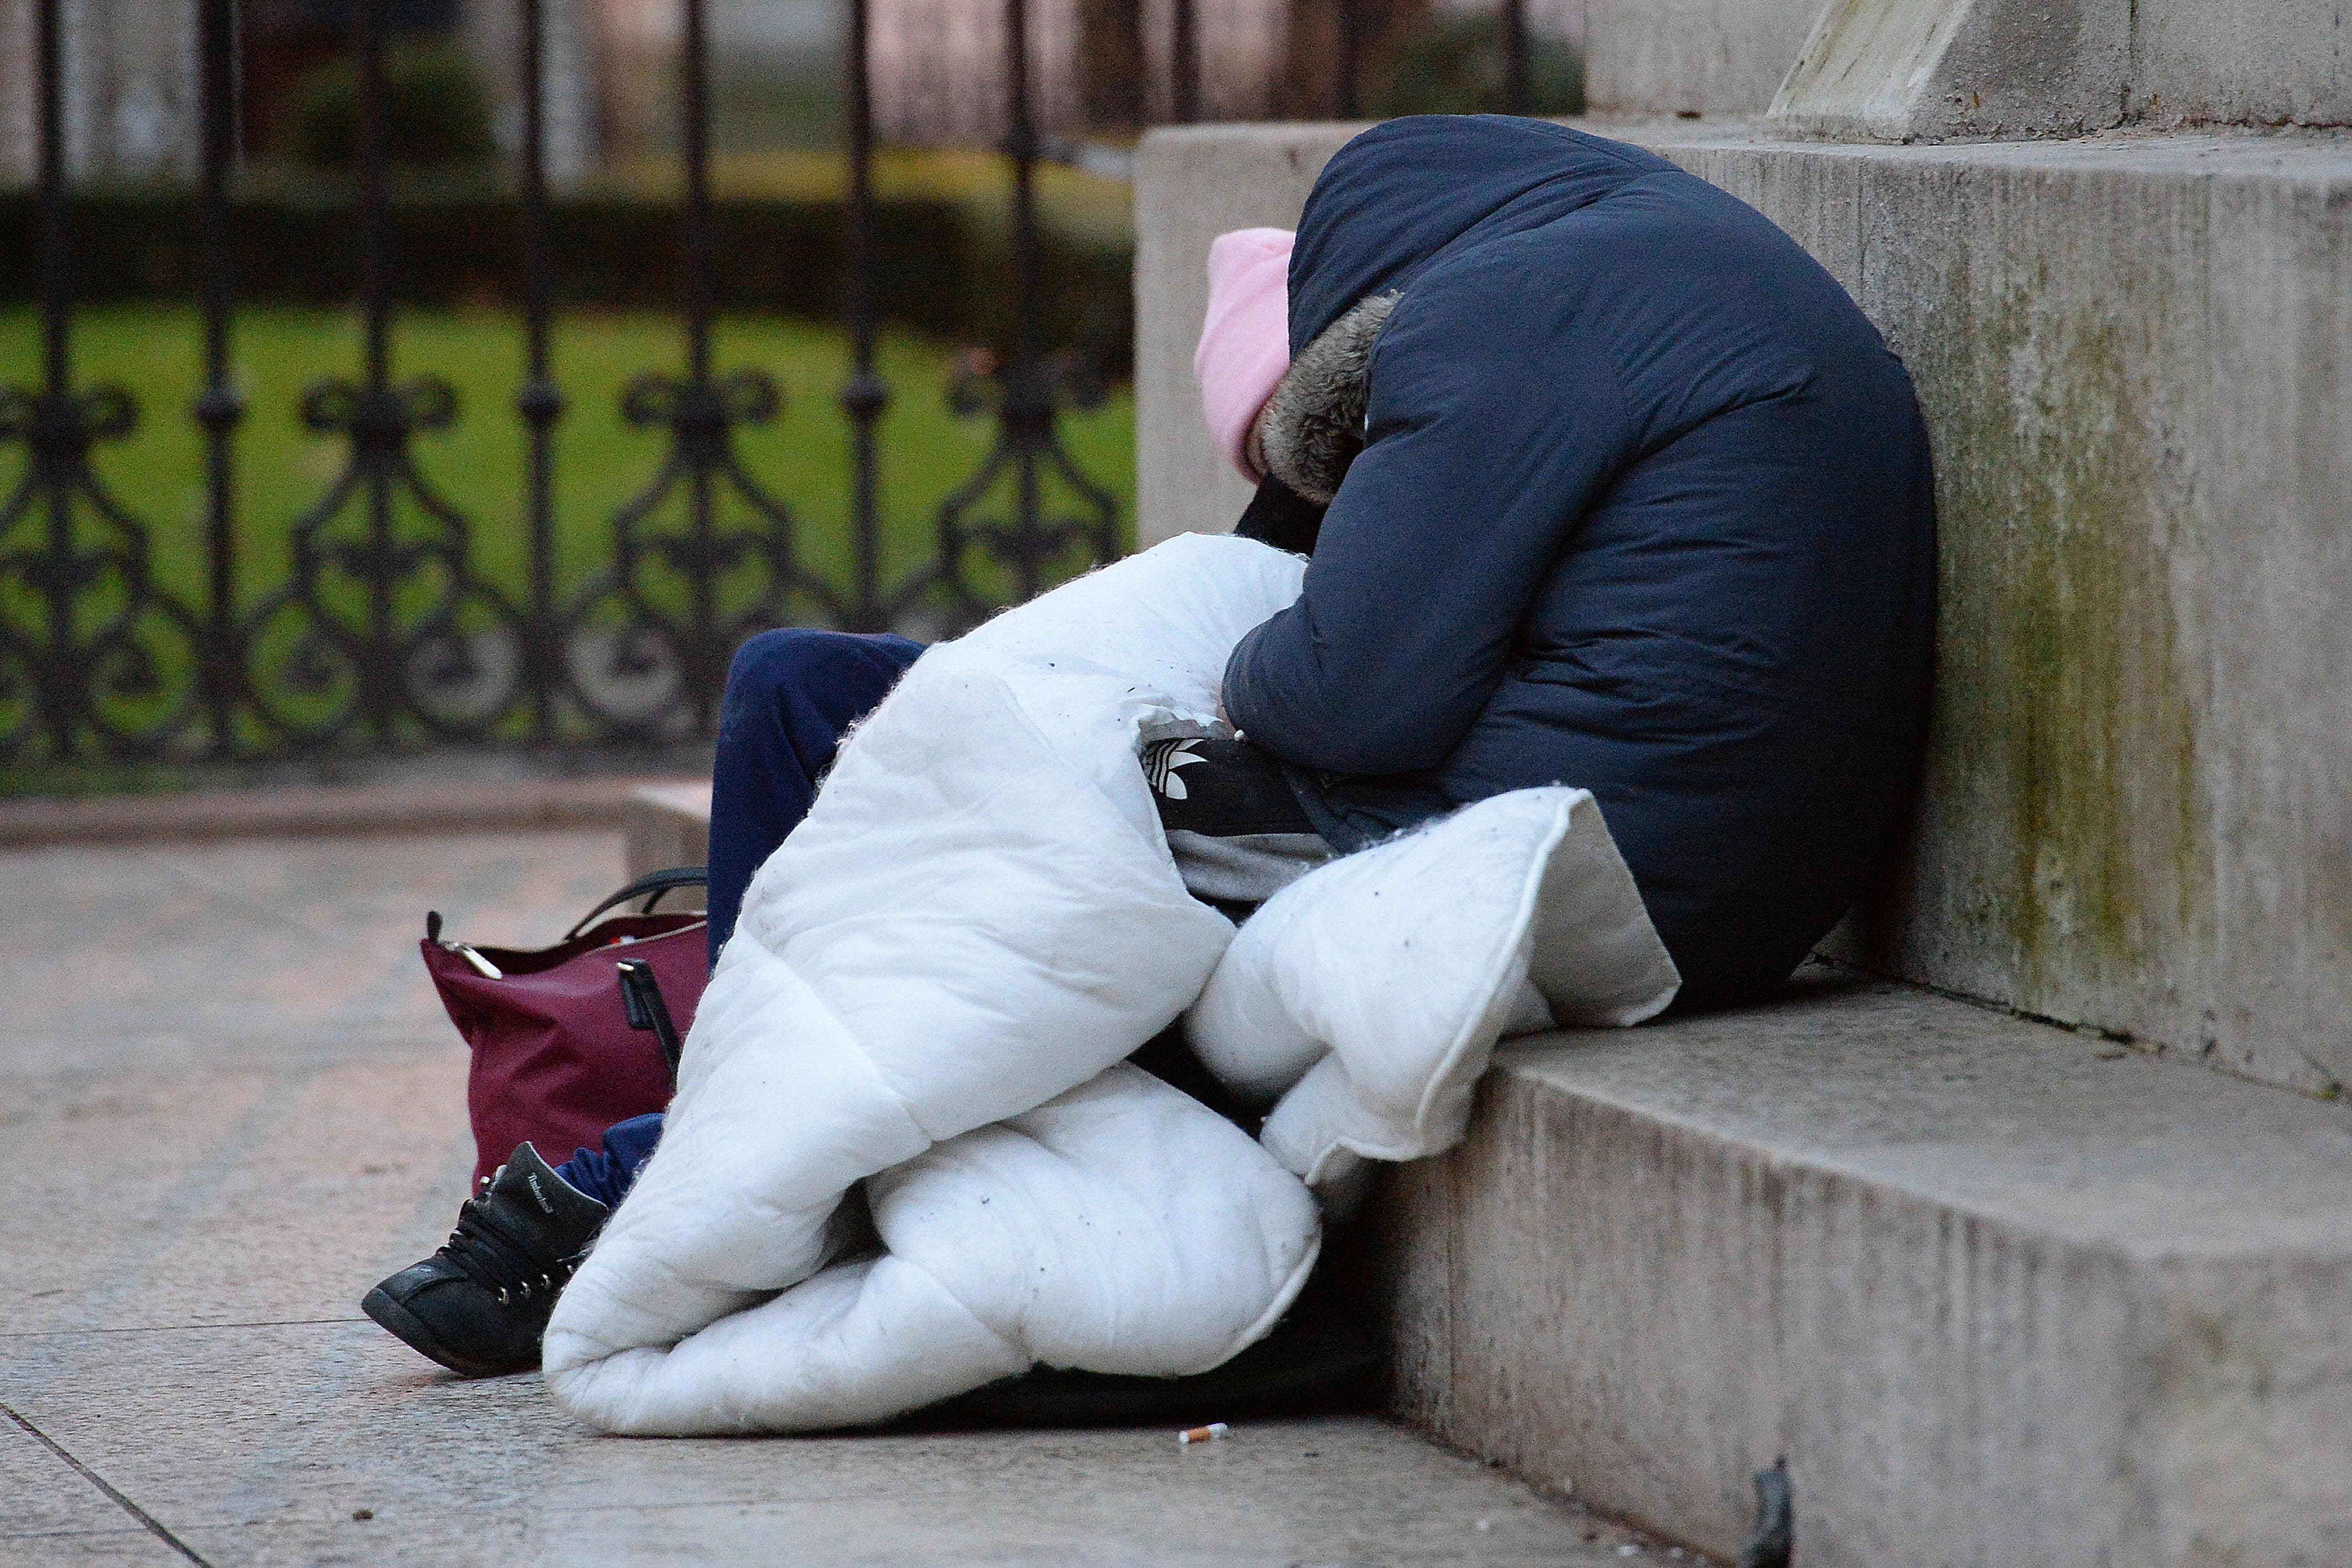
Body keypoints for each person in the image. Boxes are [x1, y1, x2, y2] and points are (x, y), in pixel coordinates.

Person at [364, 113, 1935, 1379]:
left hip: (1573, 853)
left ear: (1347, 348)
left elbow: (1342, 696)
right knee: (803, 686)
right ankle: (743, 1095)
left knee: (1031, 849)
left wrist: (1210, 659)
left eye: (1326, 455)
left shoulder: (1503, 318)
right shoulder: (1620, 274)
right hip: (1665, 847)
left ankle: (649, 1175)